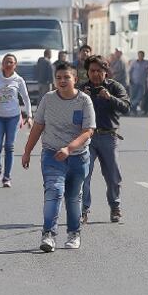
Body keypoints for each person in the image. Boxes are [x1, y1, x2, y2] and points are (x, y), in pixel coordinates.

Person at [21, 61, 95, 252]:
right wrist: (27, 151)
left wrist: (69, 149)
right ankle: (48, 235)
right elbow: (38, 126)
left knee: (72, 197)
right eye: (59, 78)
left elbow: (88, 131)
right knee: (53, 192)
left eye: (66, 77)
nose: (62, 81)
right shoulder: (48, 99)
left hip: (78, 157)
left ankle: (73, 233)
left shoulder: (84, 101)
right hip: (52, 155)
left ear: (75, 79)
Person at [79, 55, 130, 224]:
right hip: (88, 137)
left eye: (99, 71)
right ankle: (83, 210)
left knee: (113, 175)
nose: (95, 74)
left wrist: (110, 98)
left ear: (106, 72)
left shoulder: (115, 87)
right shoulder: (81, 89)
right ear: (87, 72)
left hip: (109, 136)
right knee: (83, 174)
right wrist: (80, 99)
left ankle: (115, 207)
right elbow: (71, 114)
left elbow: (126, 108)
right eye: (92, 71)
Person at [0, 53, 32, 187]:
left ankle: (7, 177)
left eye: (11, 62)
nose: (8, 64)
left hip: (13, 117)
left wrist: (29, 115)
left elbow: (26, 98)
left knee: (9, 147)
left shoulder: (19, 80)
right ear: (3, 64)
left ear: (15, 65)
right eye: (6, 61)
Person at [128, 50, 148, 116]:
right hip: (134, 82)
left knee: (139, 97)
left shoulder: (146, 63)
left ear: (143, 56)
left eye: (142, 55)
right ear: (138, 55)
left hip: (142, 83)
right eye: (139, 55)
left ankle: (130, 106)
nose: (140, 56)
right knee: (132, 97)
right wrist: (130, 79)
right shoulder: (134, 62)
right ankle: (133, 111)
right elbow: (130, 72)